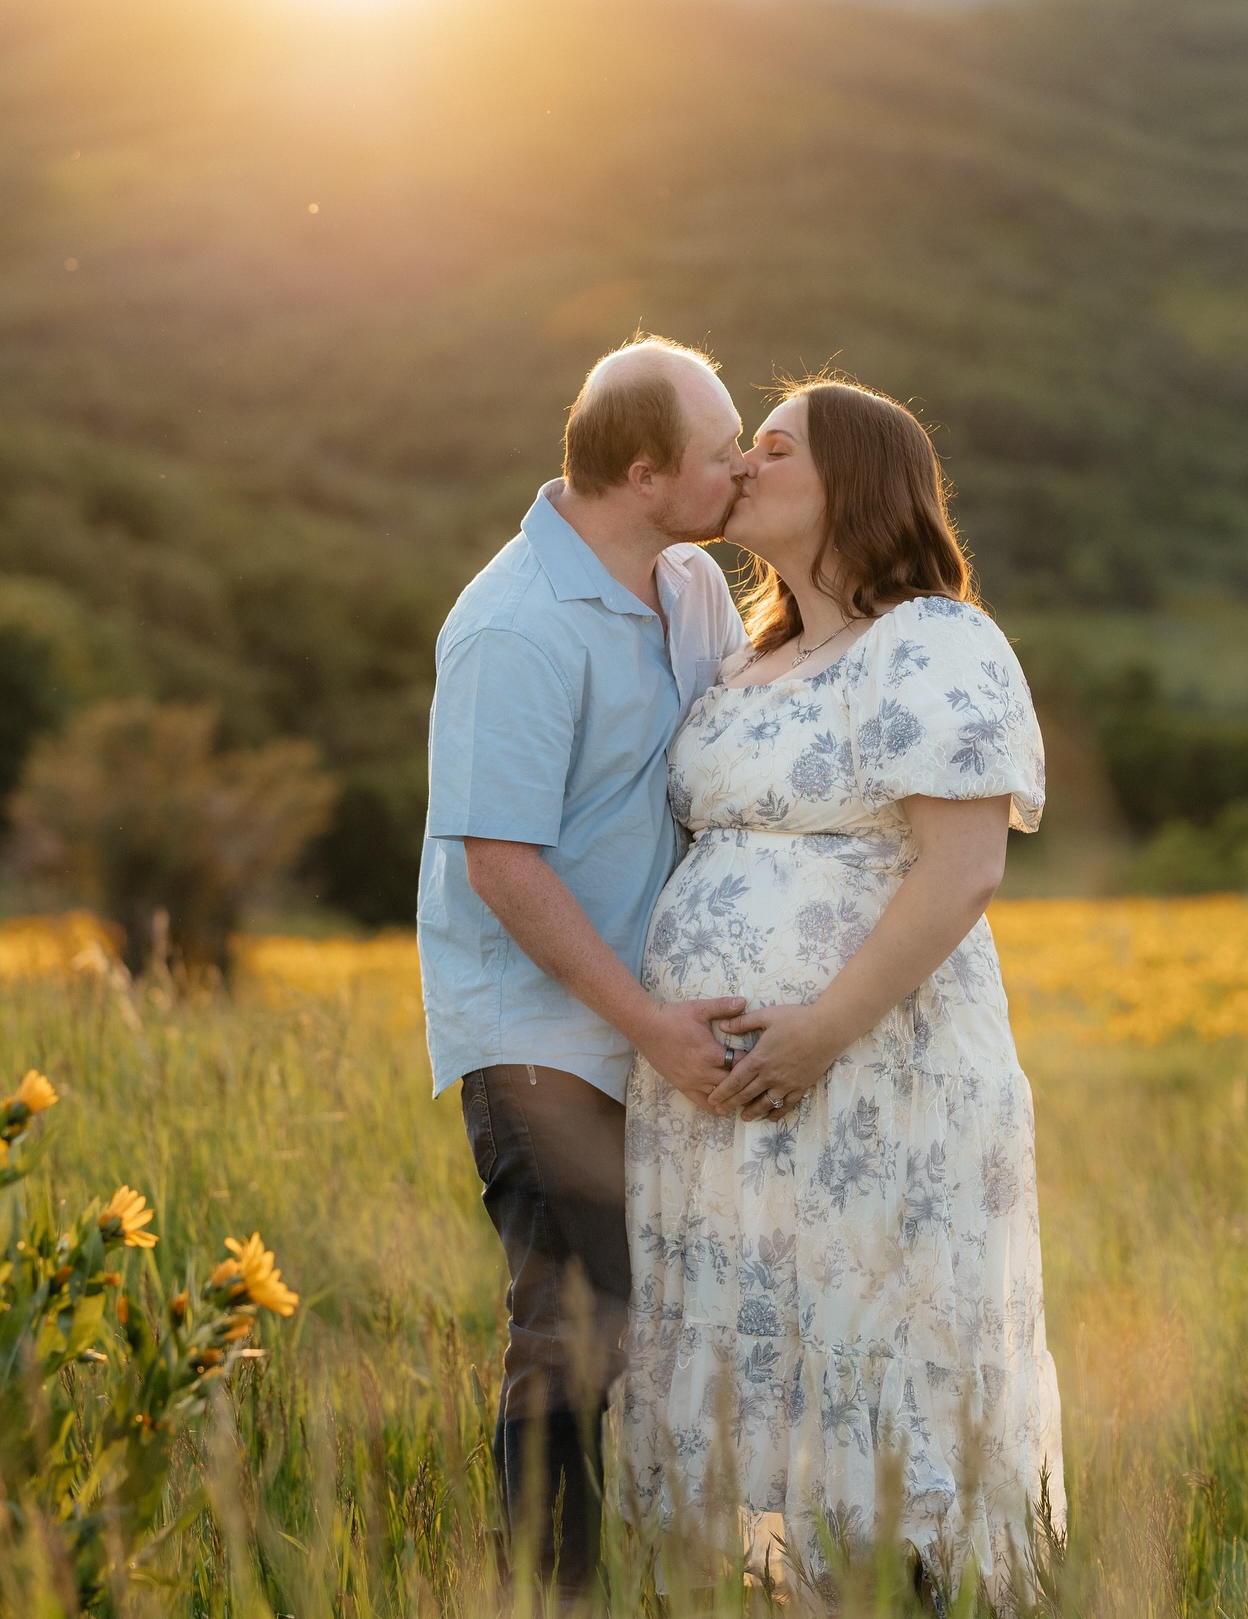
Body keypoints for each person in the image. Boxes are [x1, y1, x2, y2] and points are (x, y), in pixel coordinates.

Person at [622, 378, 1065, 1604]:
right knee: (759, 1380)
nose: (744, 462)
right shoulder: (747, 661)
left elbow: (965, 867)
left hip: (875, 1073)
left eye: (776, 445)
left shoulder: (930, 637)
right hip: (720, 1105)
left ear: (857, 482)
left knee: (883, 1361)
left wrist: (816, 1032)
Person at [418, 337, 753, 1594]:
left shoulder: (691, 585)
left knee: (659, 1337)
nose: (740, 466)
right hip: (544, 1039)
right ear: (646, 470)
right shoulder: (512, 626)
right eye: (722, 450)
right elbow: (503, 868)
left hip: (649, 1033)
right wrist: (649, 1021)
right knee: (574, 1334)